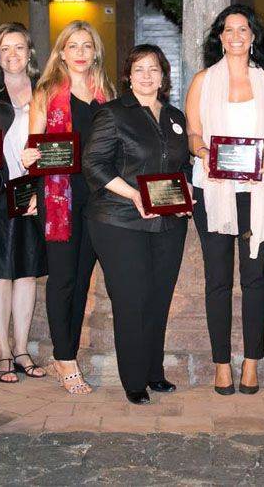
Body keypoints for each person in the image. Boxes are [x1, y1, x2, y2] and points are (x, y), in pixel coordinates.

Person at [185, 4, 264, 396]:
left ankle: (251, 363)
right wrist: (203, 152)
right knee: (217, 280)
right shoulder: (202, 81)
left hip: (261, 190)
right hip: (212, 190)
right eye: (228, 30)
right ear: (220, 37)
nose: (235, 36)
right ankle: (221, 364)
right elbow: (193, 136)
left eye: (242, 29)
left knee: (255, 278)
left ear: (253, 36)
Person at [84, 45, 190, 405]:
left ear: (164, 76)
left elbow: (181, 166)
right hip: (120, 221)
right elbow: (94, 165)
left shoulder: (175, 116)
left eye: (154, 69)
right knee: (132, 301)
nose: (147, 75)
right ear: (128, 75)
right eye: (139, 69)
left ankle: (153, 371)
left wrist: (186, 190)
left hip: (167, 223)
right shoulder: (113, 113)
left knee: (158, 299)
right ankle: (133, 380)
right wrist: (134, 196)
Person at [21, 20, 114, 394]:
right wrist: (29, 158)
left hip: (98, 199)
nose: (79, 53)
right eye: (72, 46)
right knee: (62, 279)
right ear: (61, 52)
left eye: (86, 46)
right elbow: (34, 149)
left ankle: (67, 352)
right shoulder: (45, 94)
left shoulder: (106, 93)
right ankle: (65, 358)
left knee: (83, 281)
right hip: (59, 196)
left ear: (94, 52)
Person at [0, 23, 48, 384]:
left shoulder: (46, 88)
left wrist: (42, 183)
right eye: (5, 48)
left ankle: (22, 349)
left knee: (27, 273)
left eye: (19, 47)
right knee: (0, 273)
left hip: (34, 191)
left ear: (29, 52)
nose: (12, 55)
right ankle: (2, 349)